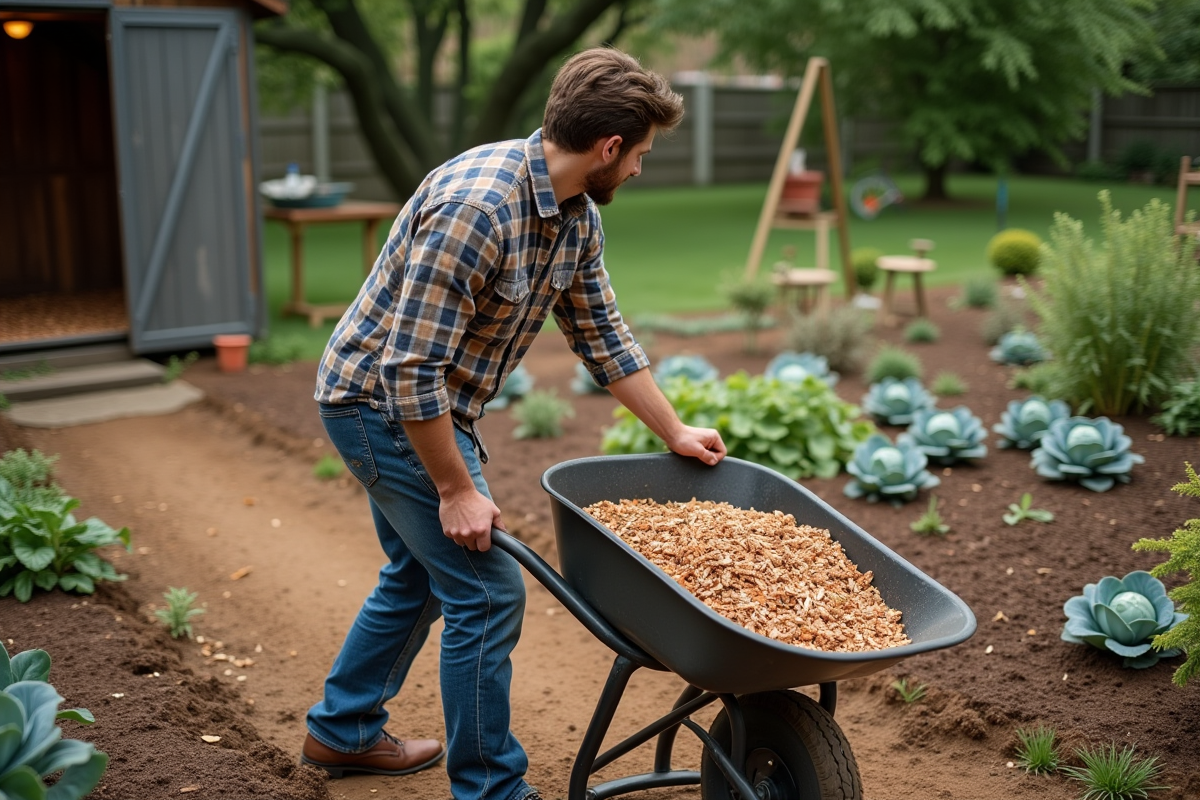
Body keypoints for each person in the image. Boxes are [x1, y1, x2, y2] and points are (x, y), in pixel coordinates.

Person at [302, 46, 727, 800]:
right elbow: (407, 371)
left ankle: (343, 730)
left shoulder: (574, 217)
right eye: (642, 156)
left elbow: (604, 338)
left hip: (433, 401)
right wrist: (455, 489)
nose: (639, 171)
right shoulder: (480, 209)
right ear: (608, 147)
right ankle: (492, 790)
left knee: (420, 575)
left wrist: (675, 432)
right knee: (487, 591)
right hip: (377, 404)